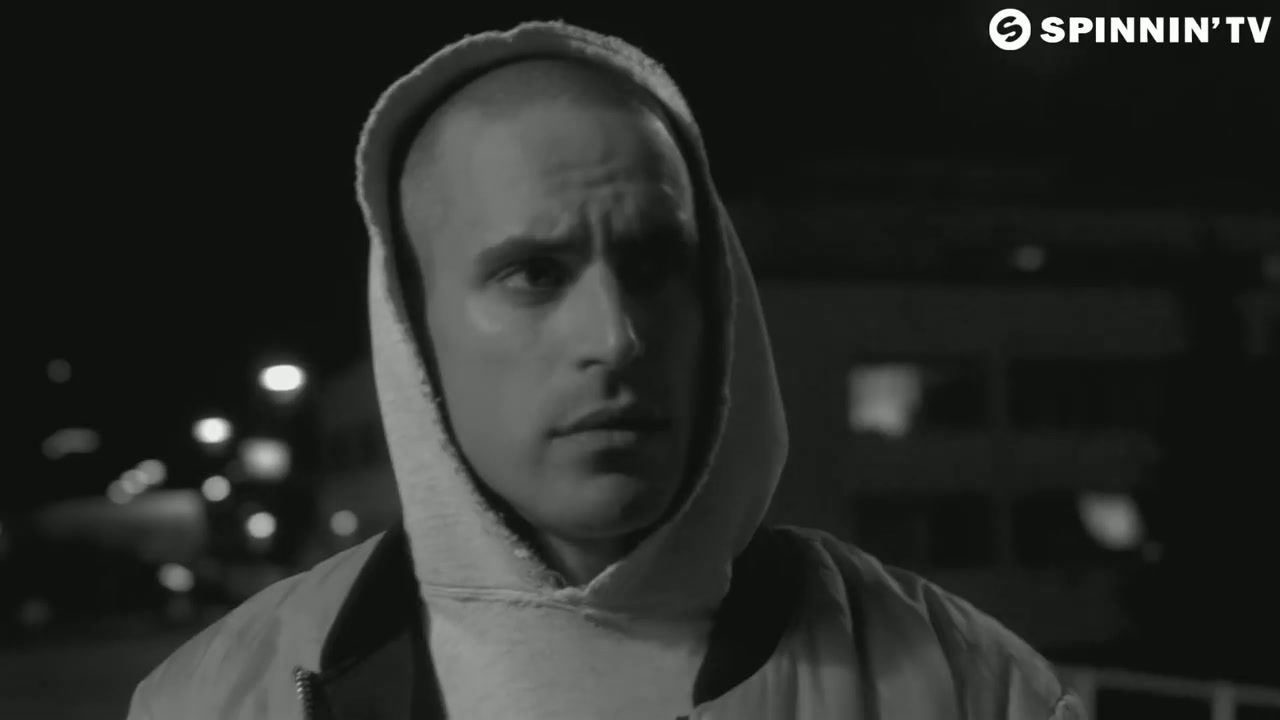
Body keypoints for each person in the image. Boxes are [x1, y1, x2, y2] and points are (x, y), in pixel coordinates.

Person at [128, 20, 1087, 720]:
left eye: (656, 265)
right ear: (413, 328)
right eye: (534, 274)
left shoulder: (969, 686)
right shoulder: (217, 700)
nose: (618, 337)